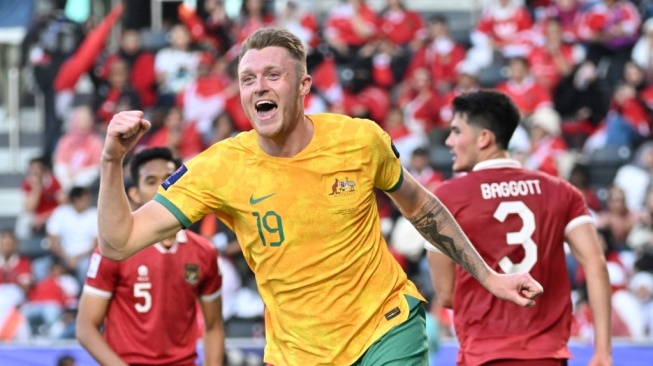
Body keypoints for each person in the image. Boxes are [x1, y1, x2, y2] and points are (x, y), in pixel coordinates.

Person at [96, 28, 542, 365]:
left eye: (274, 75)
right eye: (248, 79)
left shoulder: (360, 139)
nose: (260, 87)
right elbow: (119, 242)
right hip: (296, 352)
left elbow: (420, 205)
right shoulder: (218, 167)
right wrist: (111, 161)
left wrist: (488, 276)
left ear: (304, 86)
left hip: (384, 328)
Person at [426, 90, 612, 366]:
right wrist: (602, 352)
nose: (449, 141)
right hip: (546, 355)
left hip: (483, 355)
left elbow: (446, 295)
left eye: (455, 131)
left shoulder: (445, 198)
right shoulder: (561, 191)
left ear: (484, 138)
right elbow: (596, 265)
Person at [76, 147, 224, 366]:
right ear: (135, 194)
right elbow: (85, 328)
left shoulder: (204, 252)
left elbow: (213, 326)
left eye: (170, 179)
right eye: (151, 181)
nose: (164, 188)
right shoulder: (113, 251)